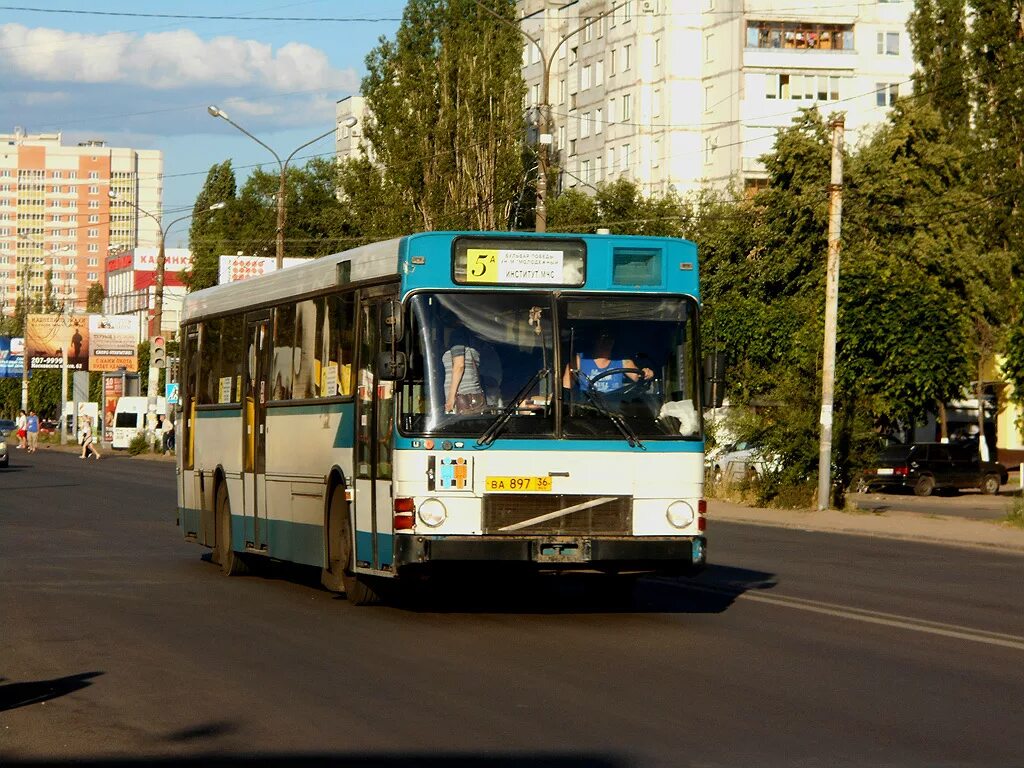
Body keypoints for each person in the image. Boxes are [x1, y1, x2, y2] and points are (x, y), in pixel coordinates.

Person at [562, 328, 654, 393]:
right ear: (595, 339)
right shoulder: (579, 359)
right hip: (588, 407)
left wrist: (647, 373)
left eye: (610, 338)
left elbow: (638, 376)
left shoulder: (622, 359)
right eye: (603, 337)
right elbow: (566, 388)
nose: (607, 341)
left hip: (615, 408)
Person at [442, 328, 486, 414]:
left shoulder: (457, 336)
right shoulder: (471, 338)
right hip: (474, 395)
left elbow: (459, 366)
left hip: (461, 397)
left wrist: (451, 397)